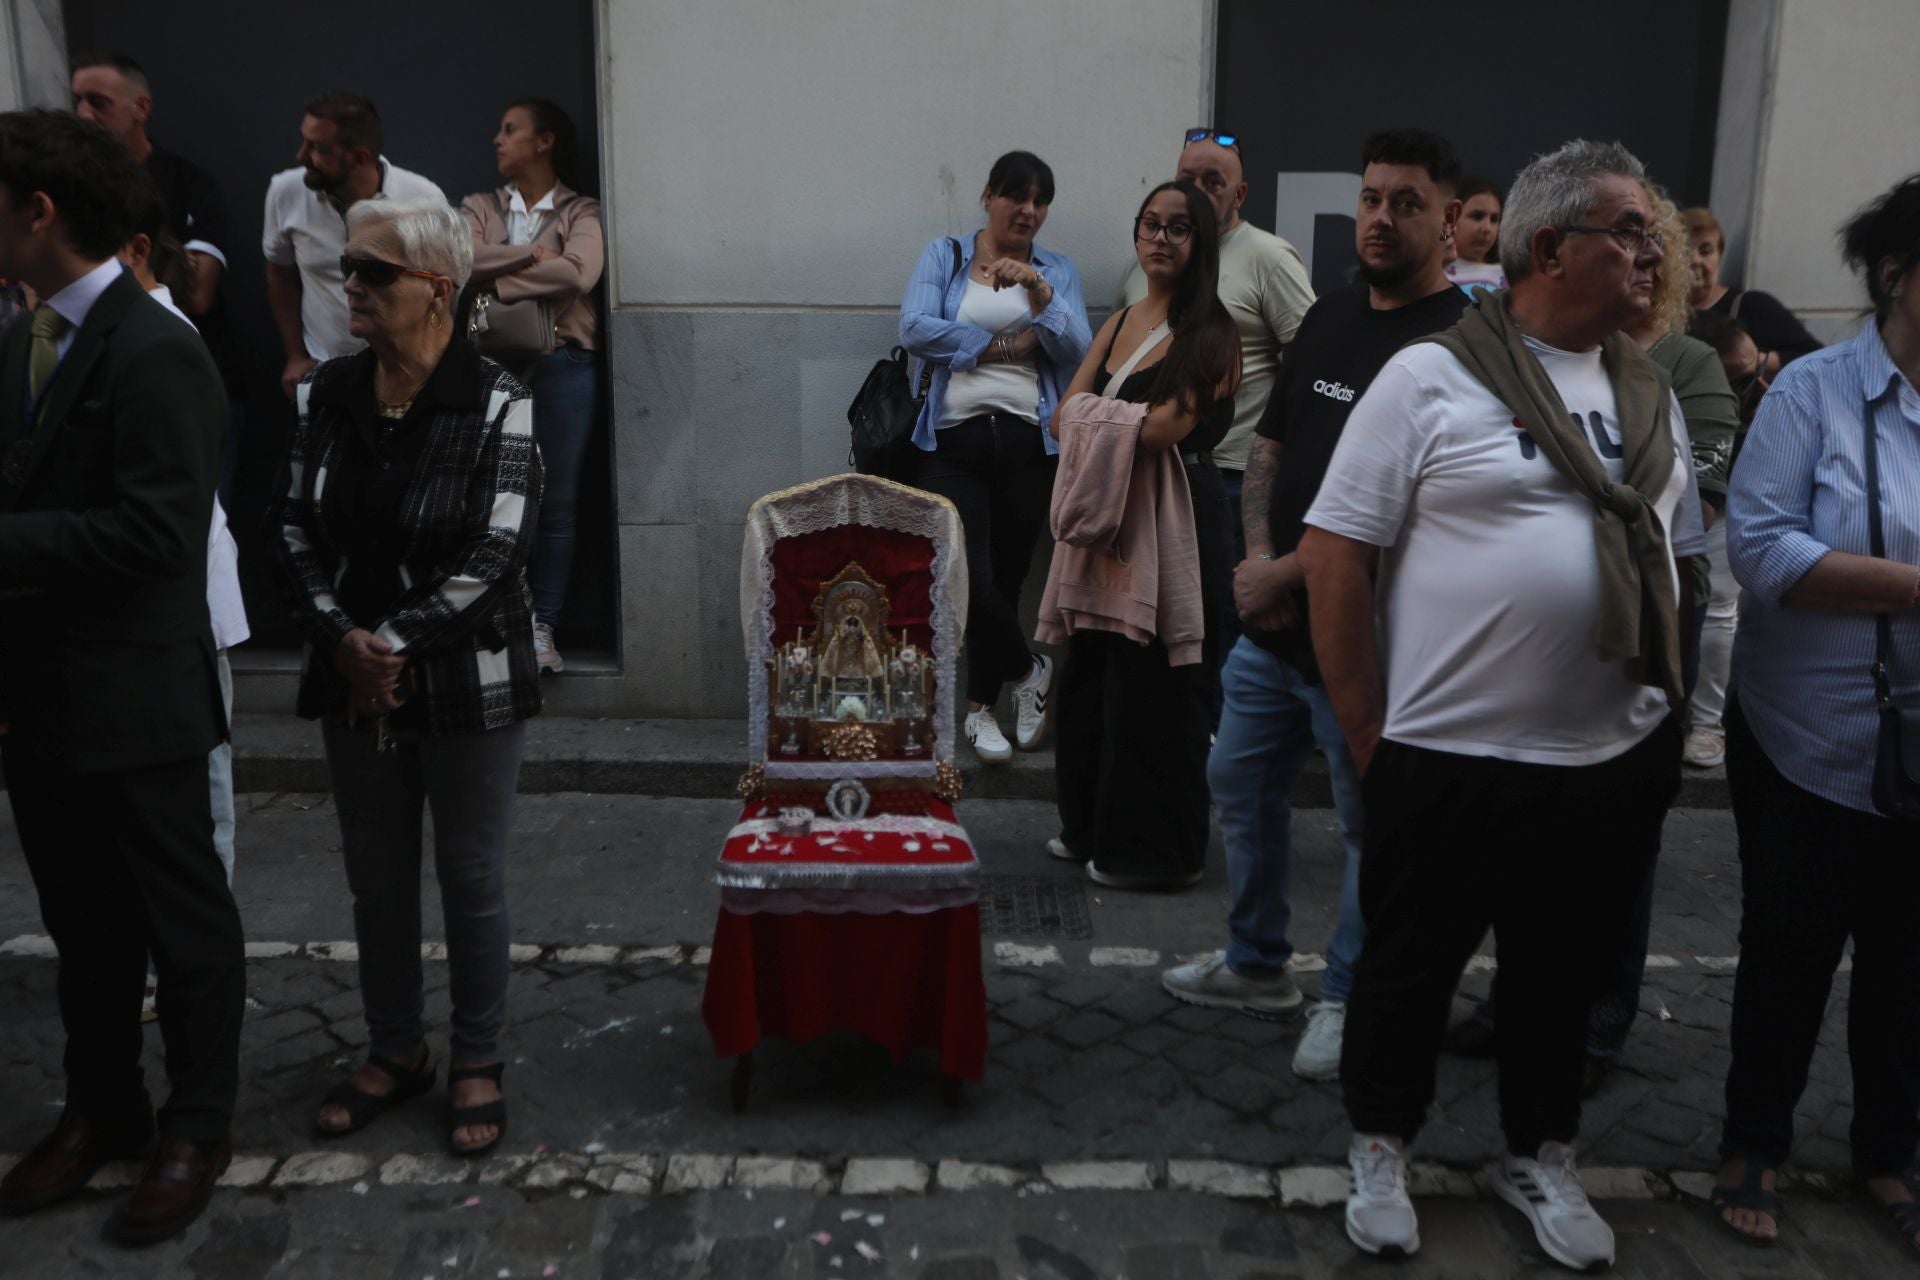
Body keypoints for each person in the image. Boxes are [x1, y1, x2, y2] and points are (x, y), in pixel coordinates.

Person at [1302, 139, 1706, 1271]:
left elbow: (1676, 557)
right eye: (1626, 232)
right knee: (1408, 967)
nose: (1649, 253)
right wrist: (1371, 733)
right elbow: (1335, 555)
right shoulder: (1431, 378)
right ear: (1548, 247)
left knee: (1559, 973)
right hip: (1448, 753)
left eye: (1651, 234)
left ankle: (1540, 1148)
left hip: (1607, 755)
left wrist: (1668, 722)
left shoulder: (1648, 386)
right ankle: (1382, 1141)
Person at [1159, 130, 1468, 1080]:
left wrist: (1287, 574)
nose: (1379, 218)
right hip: (1274, 635)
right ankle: (1257, 961)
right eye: (1371, 198)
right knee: (1238, 788)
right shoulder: (1331, 318)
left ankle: (1346, 994)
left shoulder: (1461, 347)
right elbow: (1271, 447)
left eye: (1405, 203)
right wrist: (1258, 559)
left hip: (1365, 645)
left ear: (1449, 220)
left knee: (1368, 828)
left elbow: (1424, 509)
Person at [0, 109, 243, 1247]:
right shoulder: (22, 340)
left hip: (138, 699)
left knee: (181, 927)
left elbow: (157, 534)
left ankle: (197, 1124)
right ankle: (103, 1107)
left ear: (38, 210)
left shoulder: (156, 347)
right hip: (39, 699)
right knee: (83, 929)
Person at [268, 198, 542, 1157]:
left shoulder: (500, 396)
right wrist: (344, 639)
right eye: (348, 268)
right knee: (377, 881)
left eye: (372, 272)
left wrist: (388, 645)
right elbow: (295, 528)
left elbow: (497, 549)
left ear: (437, 288)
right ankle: (395, 1048)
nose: (352, 286)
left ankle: (475, 1056)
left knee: (470, 876)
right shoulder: (326, 395)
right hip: (351, 672)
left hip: (469, 673)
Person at [1445, 190, 1734, 1081]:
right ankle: (1512, 1002)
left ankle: (1602, 1018)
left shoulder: (1682, 364)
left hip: (1635, 673)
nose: (1644, 265)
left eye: (1656, 254)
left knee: (1619, 868)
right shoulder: (1520, 361)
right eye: (1629, 247)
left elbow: (1691, 541)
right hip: (1532, 687)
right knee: (1525, 871)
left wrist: (1668, 691)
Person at [1710, 173, 1920, 1259]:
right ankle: (1754, 1141)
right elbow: (1762, 548)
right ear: (1894, 276)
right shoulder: (1815, 394)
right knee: (1790, 949)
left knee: (1908, 961)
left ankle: (1890, 1147)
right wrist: (1912, 586)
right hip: (1809, 741)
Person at [1044, 179, 1239, 890]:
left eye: (1179, 228)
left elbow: (1165, 428)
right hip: (1107, 520)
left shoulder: (1214, 333)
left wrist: (1093, 415)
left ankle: (1155, 851)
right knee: (1091, 681)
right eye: (1151, 224)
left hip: (1179, 517)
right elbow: (1060, 417)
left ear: (1201, 243)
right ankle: (1088, 825)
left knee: (1159, 689)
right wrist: (1096, 415)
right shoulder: (1121, 318)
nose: (1161, 237)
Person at [898, 151, 1090, 763]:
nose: (1028, 210)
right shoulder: (945, 256)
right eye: (1016, 196)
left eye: (1039, 201)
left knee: (1006, 580)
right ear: (988, 196)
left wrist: (1037, 288)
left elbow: (1076, 349)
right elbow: (915, 327)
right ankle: (1032, 670)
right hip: (952, 441)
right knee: (968, 580)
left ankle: (982, 712)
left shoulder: (1057, 270)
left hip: (1029, 445)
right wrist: (1000, 344)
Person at [120, 177, 249, 892]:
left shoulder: (167, 339)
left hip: (183, 613)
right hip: (145, 619)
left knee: (198, 795)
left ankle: (198, 959)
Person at [1119, 129, 1314, 565]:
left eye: (1213, 182)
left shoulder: (1270, 257)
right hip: (1145, 471)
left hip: (1231, 475)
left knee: (1218, 618)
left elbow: (1311, 361)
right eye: (1188, 178)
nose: (1197, 191)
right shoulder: (1144, 264)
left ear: (1239, 194)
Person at [462, 99, 604, 676]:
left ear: (543, 142)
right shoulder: (477, 206)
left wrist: (500, 277)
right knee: (493, 498)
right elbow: (460, 262)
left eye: (510, 130)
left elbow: (579, 273)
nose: (497, 139)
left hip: (565, 366)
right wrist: (529, 256)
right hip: (489, 366)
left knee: (558, 502)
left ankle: (542, 626)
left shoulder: (581, 208)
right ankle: (499, 621)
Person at [71, 52, 245, 499]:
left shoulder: (189, 186)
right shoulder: (67, 191)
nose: (83, 114)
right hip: (94, 392)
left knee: (196, 524)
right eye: (77, 101)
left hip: (193, 385)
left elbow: (196, 295)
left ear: (140, 108)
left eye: (98, 101)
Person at [264, 92, 445, 400]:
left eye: (317, 148)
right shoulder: (285, 192)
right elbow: (279, 274)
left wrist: (432, 362)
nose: (301, 156)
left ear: (360, 157)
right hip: (323, 372)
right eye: (304, 141)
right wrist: (295, 354)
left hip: (408, 378)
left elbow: (443, 290)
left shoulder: (423, 199)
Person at [1683, 205, 1821, 376]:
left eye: (1705, 251)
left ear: (1719, 256)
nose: (1695, 260)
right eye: (1685, 252)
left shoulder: (1752, 306)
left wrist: (1754, 361)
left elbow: (1816, 358)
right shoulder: (1657, 314)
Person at [1444, 176, 1506, 295]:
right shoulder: (1431, 276)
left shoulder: (1510, 276)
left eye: (1494, 219)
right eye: (1477, 216)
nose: (1487, 228)